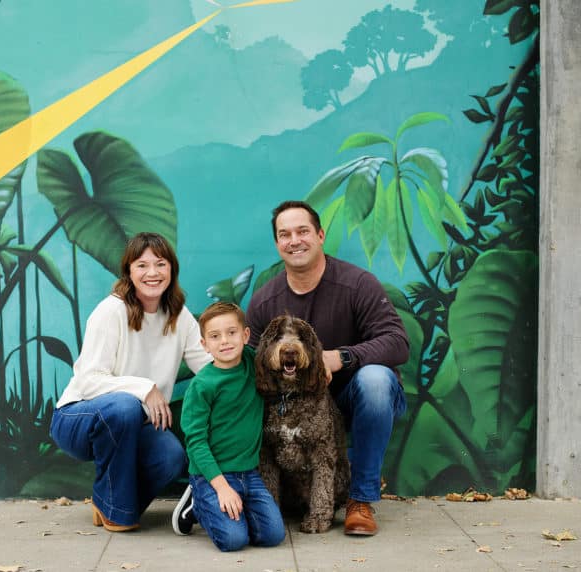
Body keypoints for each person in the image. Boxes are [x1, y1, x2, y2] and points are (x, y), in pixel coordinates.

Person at [245, 200, 409, 536]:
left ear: (320, 235)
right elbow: (250, 362)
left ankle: (360, 500)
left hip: (349, 397)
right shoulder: (264, 301)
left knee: (376, 380)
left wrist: (342, 357)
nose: (295, 240)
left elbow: (397, 341)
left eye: (303, 231)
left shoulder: (357, 284)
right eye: (285, 234)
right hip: (289, 405)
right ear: (278, 244)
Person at [50, 232, 212, 532]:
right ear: (129, 272)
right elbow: (88, 380)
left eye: (160, 264)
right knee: (125, 405)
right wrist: (144, 388)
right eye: (142, 265)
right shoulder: (111, 310)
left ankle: (109, 502)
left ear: (172, 270)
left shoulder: (179, 315)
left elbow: (208, 367)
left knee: (171, 457)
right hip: (77, 418)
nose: (152, 273)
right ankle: (117, 512)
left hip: (134, 423)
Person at [173, 302, 285, 552]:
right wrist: (222, 488)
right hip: (212, 476)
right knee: (234, 540)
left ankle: (229, 509)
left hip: (249, 473)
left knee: (273, 535)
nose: (224, 341)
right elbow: (196, 443)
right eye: (215, 336)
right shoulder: (202, 386)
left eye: (232, 332)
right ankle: (198, 504)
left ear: (246, 336)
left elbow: (280, 359)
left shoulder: (252, 362)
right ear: (204, 345)